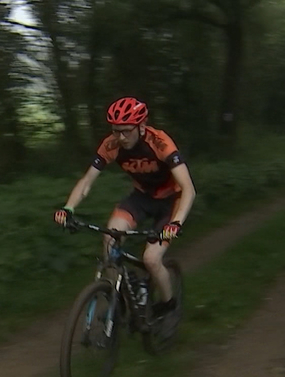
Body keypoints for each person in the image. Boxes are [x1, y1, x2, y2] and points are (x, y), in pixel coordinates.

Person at [54, 96, 196, 317]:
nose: (120, 137)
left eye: (126, 131)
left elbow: (189, 188)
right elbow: (87, 181)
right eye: (115, 130)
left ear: (141, 126)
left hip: (171, 201)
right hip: (141, 197)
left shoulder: (160, 143)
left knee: (151, 259)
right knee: (110, 237)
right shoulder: (111, 144)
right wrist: (68, 208)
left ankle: (168, 303)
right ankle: (114, 296)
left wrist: (177, 222)